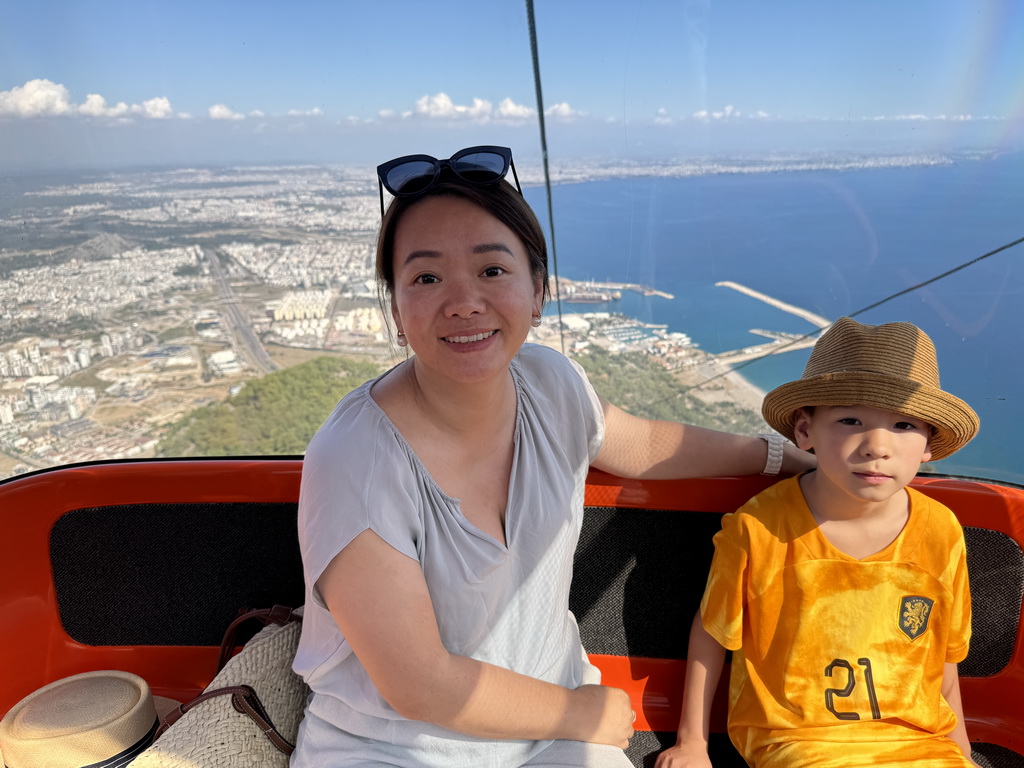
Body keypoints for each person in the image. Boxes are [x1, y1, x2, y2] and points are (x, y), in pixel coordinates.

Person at [290, 145, 815, 768]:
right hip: (393, 748)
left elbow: (638, 442)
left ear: (538, 291)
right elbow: (418, 683)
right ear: (396, 312)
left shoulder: (550, 382)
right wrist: (585, 712)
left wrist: (784, 458)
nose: (463, 301)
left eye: (492, 271)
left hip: (547, 733)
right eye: (426, 277)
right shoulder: (354, 457)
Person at [655, 316, 982, 768]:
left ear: (930, 443)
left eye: (904, 425)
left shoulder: (942, 531)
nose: (877, 447)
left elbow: (944, 655)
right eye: (851, 420)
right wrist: (692, 742)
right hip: (796, 740)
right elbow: (714, 632)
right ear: (805, 431)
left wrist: (960, 747)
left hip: (919, 743)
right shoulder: (759, 526)